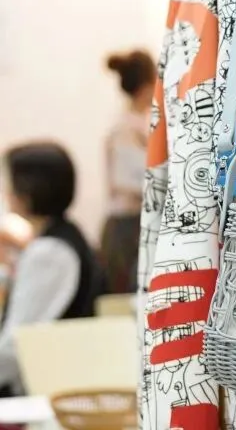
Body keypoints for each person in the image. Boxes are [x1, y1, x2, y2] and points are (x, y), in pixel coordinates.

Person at [0, 142, 98, 396]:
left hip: (42, 393)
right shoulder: (63, 237)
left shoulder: (49, 253)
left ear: (28, 191)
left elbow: (18, 344)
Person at [102, 50, 155, 294]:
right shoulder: (124, 128)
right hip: (126, 227)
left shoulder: (141, 124)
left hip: (136, 222)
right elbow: (125, 181)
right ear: (148, 85)